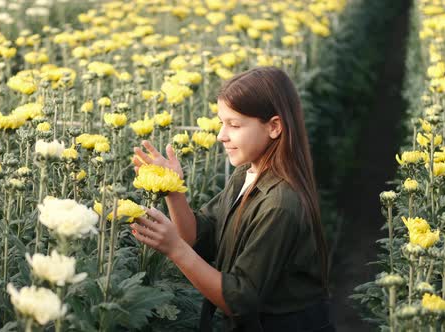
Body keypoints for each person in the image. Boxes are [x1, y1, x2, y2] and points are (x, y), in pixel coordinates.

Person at [131, 66, 335, 331]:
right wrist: (172, 189)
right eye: (221, 123)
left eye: (234, 125)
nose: (221, 136)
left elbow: (240, 299)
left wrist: (174, 249)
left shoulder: (280, 204)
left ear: (274, 127)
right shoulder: (245, 174)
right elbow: (196, 236)